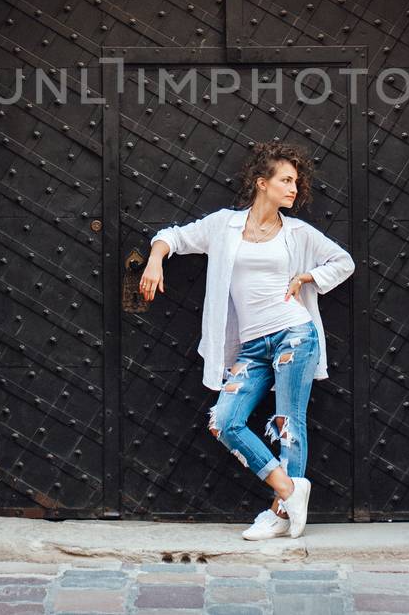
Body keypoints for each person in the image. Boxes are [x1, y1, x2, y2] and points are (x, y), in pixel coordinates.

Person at [140, 140, 355, 539]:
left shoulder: (297, 232)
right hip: (251, 345)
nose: (294, 188)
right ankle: (289, 490)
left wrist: (308, 277)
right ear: (262, 183)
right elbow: (174, 236)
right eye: (285, 180)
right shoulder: (224, 225)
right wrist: (155, 260)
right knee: (224, 421)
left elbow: (343, 261)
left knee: (289, 421)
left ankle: (280, 514)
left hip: (294, 333)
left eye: (296, 181)